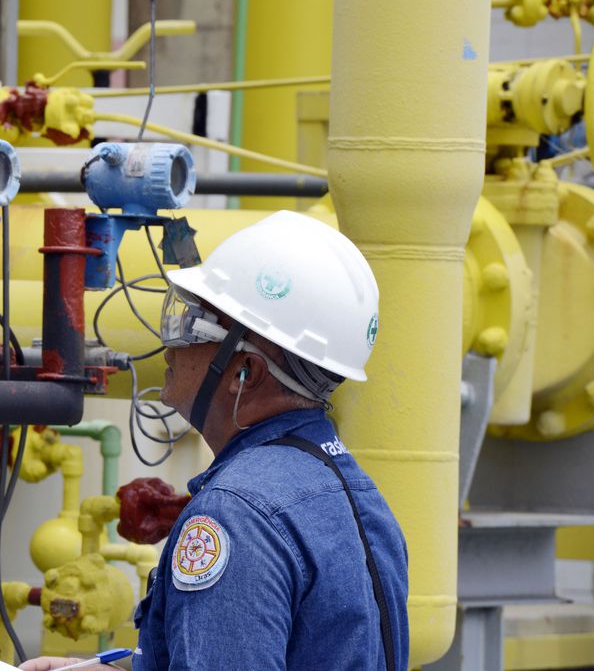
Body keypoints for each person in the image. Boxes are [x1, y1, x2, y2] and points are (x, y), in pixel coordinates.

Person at [22, 210, 408, 670]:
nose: (170, 348)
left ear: (246, 372)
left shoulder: (234, 514)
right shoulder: (356, 492)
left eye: (196, 328)